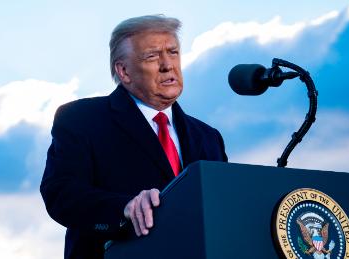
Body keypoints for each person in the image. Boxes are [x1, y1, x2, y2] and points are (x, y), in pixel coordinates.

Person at [40, 15, 228, 259]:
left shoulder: (208, 136)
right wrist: (124, 208)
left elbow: (221, 208)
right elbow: (61, 194)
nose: (167, 65)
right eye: (152, 56)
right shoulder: (81, 118)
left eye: (173, 52)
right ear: (124, 71)